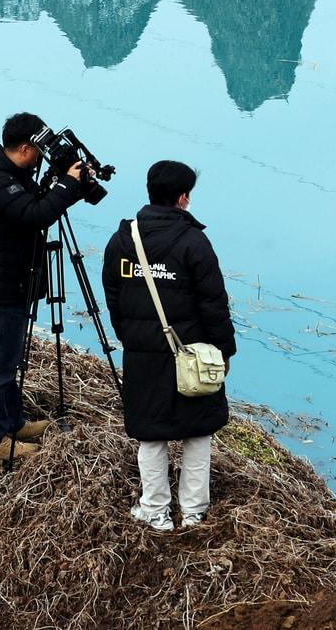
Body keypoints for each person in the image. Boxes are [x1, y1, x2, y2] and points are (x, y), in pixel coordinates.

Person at [101, 160, 236, 531]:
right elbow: (214, 304)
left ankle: (155, 511)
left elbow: (112, 294)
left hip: (142, 353)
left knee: (150, 432)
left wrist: (130, 335)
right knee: (197, 432)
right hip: (191, 353)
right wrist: (224, 351)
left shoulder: (123, 239)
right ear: (182, 198)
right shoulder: (194, 241)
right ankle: (194, 511)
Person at [0, 112, 83, 461]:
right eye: (39, 150)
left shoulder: (12, 175)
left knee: (10, 361)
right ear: (24, 148)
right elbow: (36, 215)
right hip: (3, 287)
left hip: (14, 281)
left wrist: (67, 186)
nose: (41, 157)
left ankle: (13, 423)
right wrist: (66, 185)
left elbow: (37, 204)